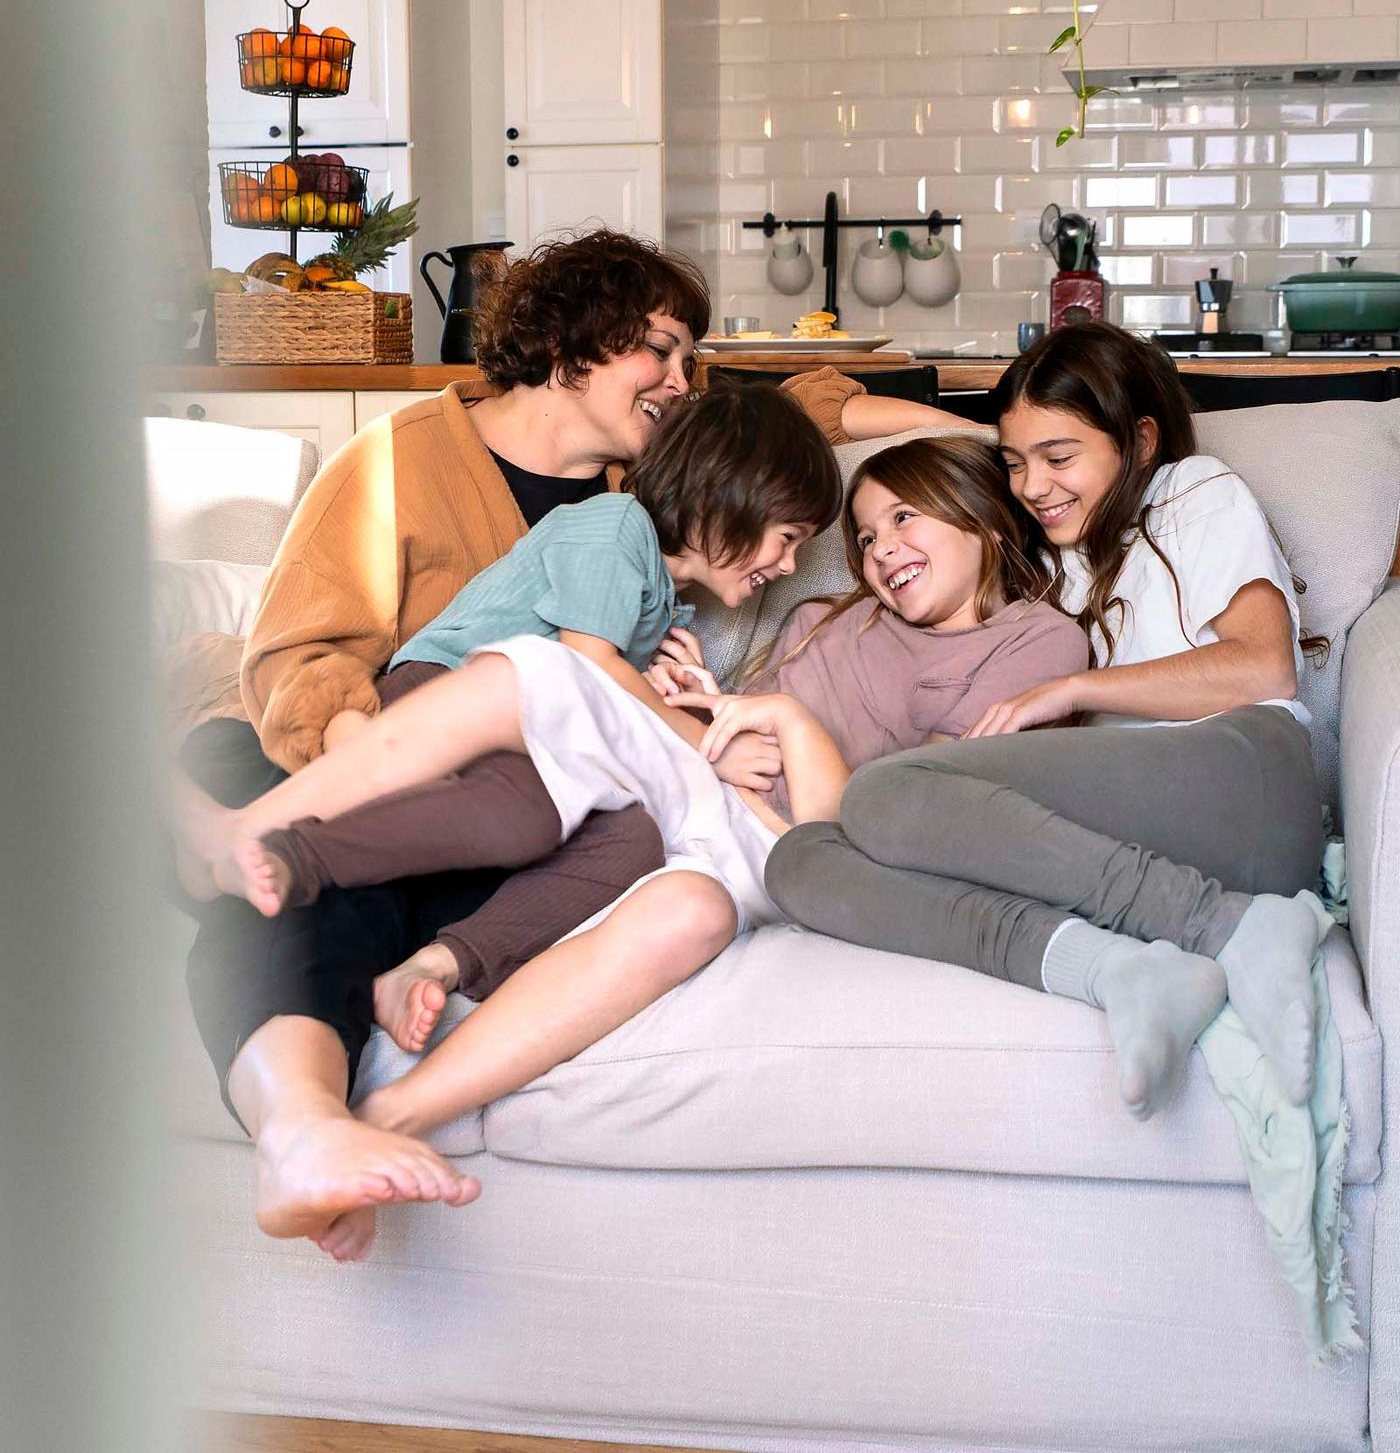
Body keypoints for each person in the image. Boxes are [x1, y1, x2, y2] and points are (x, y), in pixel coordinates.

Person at [176, 226, 971, 1245]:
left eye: (692, 360)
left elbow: (795, 416)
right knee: (319, 881)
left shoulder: (652, 488)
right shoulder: (404, 461)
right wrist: (364, 758)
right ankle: (300, 1121)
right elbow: (300, 655)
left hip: (523, 798)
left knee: (628, 862)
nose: (682, 378)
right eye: (662, 349)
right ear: (569, 346)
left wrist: (992, 429)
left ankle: (381, 1041)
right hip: (373, 747)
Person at [180, 435, 1089, 1259]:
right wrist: (700, 701)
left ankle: (393, 1112)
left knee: (690, 913)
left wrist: (780, 725)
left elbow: (902, 815)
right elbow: (721, 716)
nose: (879, 547)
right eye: (863, 533)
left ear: (982, 518)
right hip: (711, 776)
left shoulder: (1039, 640)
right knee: (548, 674)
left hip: (802, 842)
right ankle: (259, 835)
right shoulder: (824, 618)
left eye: (904, 518)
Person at [765, 322, 1331, 1124]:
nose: (1034, 486)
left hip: (1245, 782)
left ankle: (1237, 926)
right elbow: (813, 413)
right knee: (802, 860)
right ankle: (1115, 970)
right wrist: (972, 436)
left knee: (886, 794)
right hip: (1133, 833)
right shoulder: (1053, 558)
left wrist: (1069, 689)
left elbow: (1263, 666)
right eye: (1016, 464)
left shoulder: (1192, 491)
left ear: (1139, 442)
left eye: (1059, 457)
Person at [185, 381, 844, 917]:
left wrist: (681, 693)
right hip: (439, 693)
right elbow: (591, 665)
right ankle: (250, 823)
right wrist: (712, 745)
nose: (788, 566)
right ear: (726, 498)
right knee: (511, 815)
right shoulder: (616, 529)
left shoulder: (666, 603)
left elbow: (603, 694)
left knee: (527, 823)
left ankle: (293, 858)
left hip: (520, 733)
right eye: (786, 538)